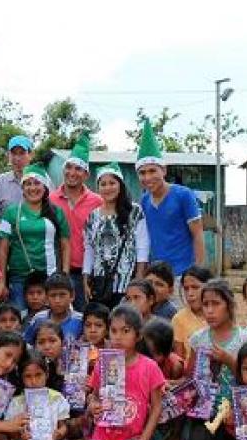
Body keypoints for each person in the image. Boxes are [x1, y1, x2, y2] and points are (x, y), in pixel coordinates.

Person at [87, 305, 165, 440]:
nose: (118, 336)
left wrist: (145, 439)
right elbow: (93, 396)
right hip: (106, 436)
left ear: (138, 336)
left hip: (135, 438)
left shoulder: (150, 367)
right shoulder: (103, 364)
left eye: (125, 331)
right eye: (113, 331)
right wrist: (93, 405)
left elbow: (157, 407)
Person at [185, 279, 247, 440]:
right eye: (205, 304)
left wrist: (229, 361)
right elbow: (190, 377)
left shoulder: (245, 340)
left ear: (229, 305)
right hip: (206, 411)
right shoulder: (198, 339)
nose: (209, 310)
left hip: (234, 413)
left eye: (216, 304)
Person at [0, 163, 70, 310]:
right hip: (19, 278)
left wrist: (65, 276)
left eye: (37, 183)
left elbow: (65, 246)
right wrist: (2, 282)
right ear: (22, 188)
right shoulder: (10, 213)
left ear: (45, 187)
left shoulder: (56, 212)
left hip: (50, 277)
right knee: (20, 319)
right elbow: (2, 250)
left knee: (49, 321)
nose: (32, 188)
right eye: (28, 184)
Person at [137, 119, 204, 276]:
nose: (147, 177)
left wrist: (197, 273)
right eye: (142, 172)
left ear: (164, 171)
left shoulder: (183, 195)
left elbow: (198, 234)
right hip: (155, 276)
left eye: (152, 171)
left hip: (183, 274)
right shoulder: (144, 201)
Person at [4, 352, 77, 440]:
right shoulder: (17, 402)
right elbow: (10, 432)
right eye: (28, 376)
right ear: (22, 378)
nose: (34, 381)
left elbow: (63, 426)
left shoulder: (56, 398)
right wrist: (20, 436)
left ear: (46, 375)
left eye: (38, 375)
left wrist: (60, 434)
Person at [83, 162, 148, 310]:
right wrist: (86, 277)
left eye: (112, 183)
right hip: (100, 282)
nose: (108, 188)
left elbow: (142, 246)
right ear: (98, 188)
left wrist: (139, 278)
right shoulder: (92, 216)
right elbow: (89, 249)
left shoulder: (135, 211)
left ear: (120, 185)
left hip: (126, 282)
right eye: (103, 184)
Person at [51, 133, 103, 310]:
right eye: (69, 167)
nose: (72, 173)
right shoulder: (50, 199)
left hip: (88, 272)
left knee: (87, 318)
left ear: (86, 174)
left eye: (78, 169)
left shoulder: (97, 201)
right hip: (58, 270)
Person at [23, 272, 84, 345]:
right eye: (53, 295)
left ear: (72, 296)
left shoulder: (80, 320)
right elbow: (26, 344)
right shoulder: (38, 319)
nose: (57, 300)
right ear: (46, 298)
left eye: (62, 295)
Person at [172, 265, 213, 360]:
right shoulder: (179, 319)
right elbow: (180, 359)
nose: (190, 294)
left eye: (195, 287)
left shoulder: (220, 314)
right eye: (186, 289)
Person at [0, 135, 33, 217]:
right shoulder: (0, 182)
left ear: (30, 155)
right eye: (14, 153)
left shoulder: (41, 180)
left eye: (22, 153)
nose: (17, 158)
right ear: (8, 156)